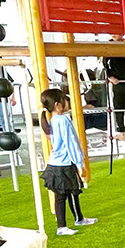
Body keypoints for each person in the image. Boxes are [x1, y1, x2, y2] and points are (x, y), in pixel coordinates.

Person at [40, 90, 97, 236]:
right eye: (65, 100)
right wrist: (80, 164)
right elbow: (71, 143)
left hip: (56, 164)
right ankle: (63, 226)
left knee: (68, 194)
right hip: (64, 164)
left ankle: (77, 219)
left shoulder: (54, 120)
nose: (67, 102)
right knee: (66, 194)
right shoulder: (63, 120)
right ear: (58, 105)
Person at [103, 56, 125, 140]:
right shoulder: (109, 53)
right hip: (117, 82)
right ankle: (121, 131)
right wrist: (110, 77)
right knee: (118, 107)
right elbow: (105, 65)